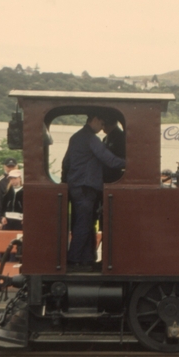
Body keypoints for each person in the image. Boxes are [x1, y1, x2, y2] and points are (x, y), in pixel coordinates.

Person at [61, 112, 126, 268]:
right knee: (84, 224)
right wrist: (132, 163)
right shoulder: (91, 139)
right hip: (86, 186)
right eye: (101, 123)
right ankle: (75, 258)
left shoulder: (76, 137)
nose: (102, 127)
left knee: (84, 222)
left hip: (76, 186)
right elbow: (109, 159)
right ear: (95, 120)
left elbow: (66, 163)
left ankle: (86, 258)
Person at [0, 157, 18, 222]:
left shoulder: (22, 180)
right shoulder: (0, 181)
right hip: (6, 219)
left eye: (13, 166)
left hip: (19, 218)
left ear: (17, 166)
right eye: (9, 167)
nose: (11, 169)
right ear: (5, 167)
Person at [102, 117, 126, 183]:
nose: (102, 127)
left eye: (104, 124)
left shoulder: (121, 137)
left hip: (114, 173)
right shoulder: (106, 138)